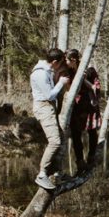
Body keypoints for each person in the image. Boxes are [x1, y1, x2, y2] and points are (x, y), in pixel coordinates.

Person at [30, 48, 69, 190]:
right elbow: (49, 95)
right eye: (60, 63)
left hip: (49, 108)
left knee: (61, 138)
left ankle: (57, 172)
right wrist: (61, 83)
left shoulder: (47, 70)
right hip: (44, 108)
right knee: (55, 141)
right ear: (54, 62)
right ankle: (42, 174)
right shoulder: (40, 73)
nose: (61, 66)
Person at [65, 49, 101, 172]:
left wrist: (83, 79)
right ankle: (80, 161)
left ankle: (91, 157)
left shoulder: (90, 70)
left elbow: (96, 88)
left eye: (66, 60)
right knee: (75, 133)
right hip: (76, 106)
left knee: (92, 131)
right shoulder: (68, 71)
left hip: (89, 106)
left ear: (73, 60)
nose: (65, 62)